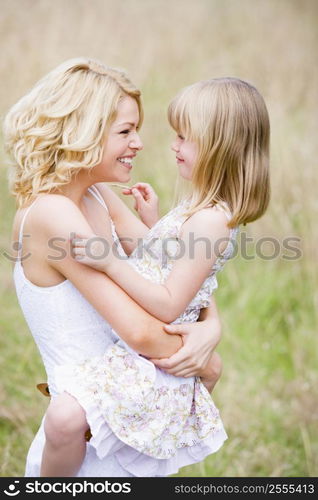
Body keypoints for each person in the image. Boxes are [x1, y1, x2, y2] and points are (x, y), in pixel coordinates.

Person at [4, 58, 224, 478]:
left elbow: (175, 273)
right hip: (85, 430)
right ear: (80, 135)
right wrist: (202, 357)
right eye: (125, 131)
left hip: (125, 406)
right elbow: (140, 333)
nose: (139, 142)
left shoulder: (98, 195)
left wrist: (212, 326)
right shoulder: (53, 213)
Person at [41, 76, 271, 476]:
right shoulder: (197, 211)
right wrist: (154, 225)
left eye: (185, 137)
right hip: (143, 353)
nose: (172, 145)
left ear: (219, 147)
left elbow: (168, 302)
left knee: (64, 418)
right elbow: (173, 267)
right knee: (66, 420)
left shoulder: (211, 220)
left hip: (151, 362)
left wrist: (110, 262)